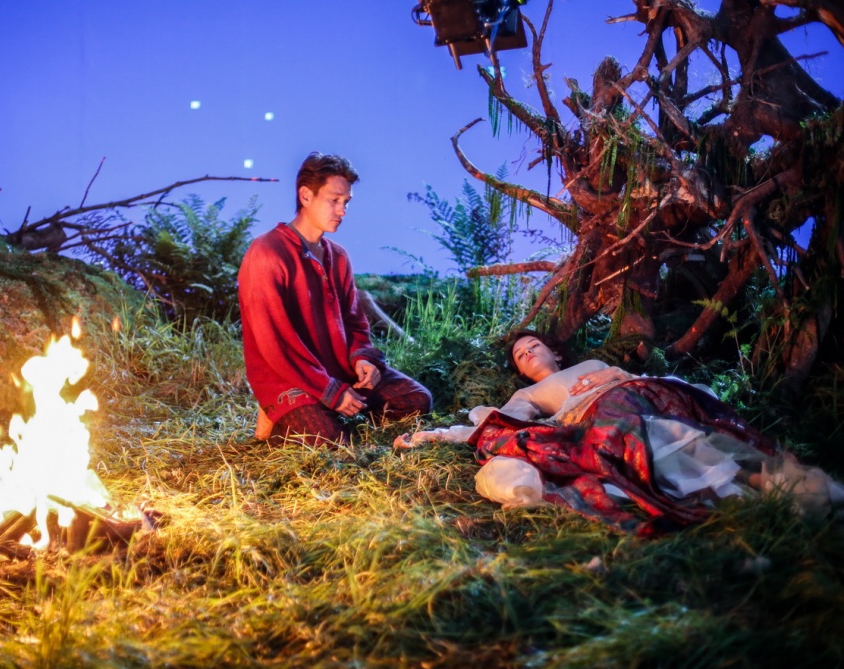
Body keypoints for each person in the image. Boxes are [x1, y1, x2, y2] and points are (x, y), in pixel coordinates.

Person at [396, 330, 843, 536]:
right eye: (519, 355)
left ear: (555, 351)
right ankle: (758, 486)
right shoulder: (527, 394)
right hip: (603, 413)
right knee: (648, 433)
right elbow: (499, 425)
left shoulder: (593, 364)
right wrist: (436, 435)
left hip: (641, 391)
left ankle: (764, 483)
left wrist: (613, 372)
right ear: (519, 371)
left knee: (670, 420)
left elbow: (634, 377)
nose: (528, 353)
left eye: (534, 345)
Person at [238, 152, 432, 446]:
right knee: (333, 442)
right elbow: (274, 343)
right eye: (334, 200)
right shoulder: (267, 253)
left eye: (346, 202)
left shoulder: (338, 256)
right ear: (306, 196)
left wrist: (363, 358)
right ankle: (277, 417)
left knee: (416, 399)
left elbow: (354, 321)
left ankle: (333, 412)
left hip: (339, 372)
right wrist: (329, 391)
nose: (342, 211)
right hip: (289, 379)